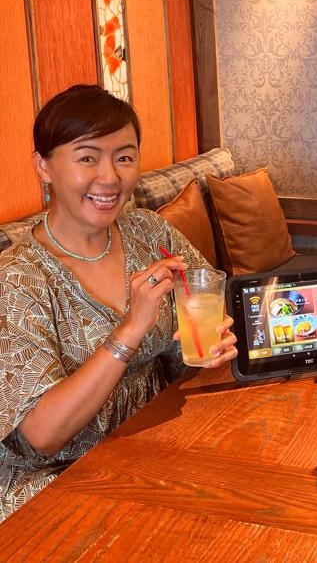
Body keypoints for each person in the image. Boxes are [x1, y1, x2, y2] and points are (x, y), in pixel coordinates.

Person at [0, 84, 237, 521]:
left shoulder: (150, 232)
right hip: (60, 482)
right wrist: (131, 329)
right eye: (87, 158)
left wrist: (212, 341)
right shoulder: (17, 278)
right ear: (43, 166)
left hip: (155, 445)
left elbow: (206, 307)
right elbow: (41, 436)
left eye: (124, 158)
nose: (110, 177)